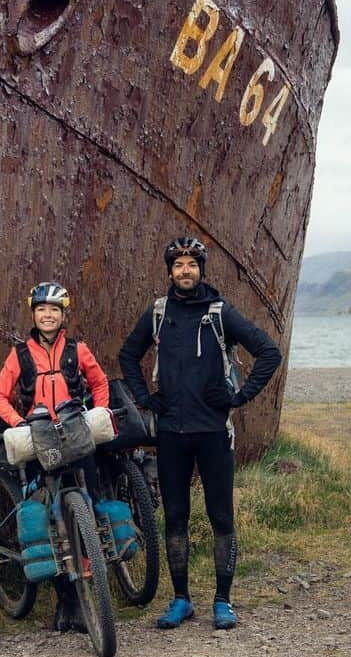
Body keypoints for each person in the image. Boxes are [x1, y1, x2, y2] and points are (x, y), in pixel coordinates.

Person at [118, 237, 281, 631]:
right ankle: (181, 601)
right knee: (174, 518)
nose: (185, 270)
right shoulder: (159, 312)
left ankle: (223, 602)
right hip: (172, 433)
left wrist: (240, 397)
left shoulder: (220, 312)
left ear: (201, 270)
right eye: (178, 264)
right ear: (170, 271)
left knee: (221, 517)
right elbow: (128, 355)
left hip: (213, 432)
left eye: (192, 263)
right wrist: (144, 397)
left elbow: (269, 352)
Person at [0, 280, 111, 631]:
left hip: (76, 433)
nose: (47, 315)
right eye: (42, 309)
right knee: (50, 518)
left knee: (91, 499)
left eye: (54, 310)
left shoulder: (77, 350)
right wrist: (19, 423)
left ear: (63, 315)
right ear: (33, 314)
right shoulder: (20, 354)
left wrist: (99, 414)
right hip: (40, 440)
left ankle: (96, 584)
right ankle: (66, 602)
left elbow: (100, 382)